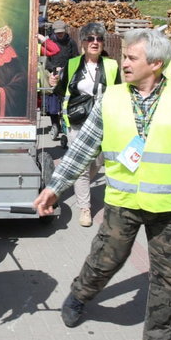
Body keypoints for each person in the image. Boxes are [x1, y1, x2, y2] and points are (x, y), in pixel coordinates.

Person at [33, 28, 171, 340]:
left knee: (169, 275)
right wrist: (54, 187)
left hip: (169, 208)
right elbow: (82, 148)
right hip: (122, 202)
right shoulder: (112, 98)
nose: (123, 63)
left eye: (130, 58)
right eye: (123, 57)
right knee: (105, 261)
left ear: (154, 63)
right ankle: (79, 295)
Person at [52, 22, 120, 227]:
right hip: (77, 122)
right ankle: (85, 208)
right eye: (90, 38)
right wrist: (54, 83)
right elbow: (62, 90)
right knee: (82, 167)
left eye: (99, 39)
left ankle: (78, 185)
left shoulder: (111, 65)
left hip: (102, 122)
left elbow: (118, 93)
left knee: (97, 162)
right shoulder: (73, 64)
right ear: (82, 42)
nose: (95, 42)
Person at [37, 20, 80, 140]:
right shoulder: (50, 42)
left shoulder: (71, 42)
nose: (60, 35)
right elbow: (47, 60)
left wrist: (67, 69)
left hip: (67, 73)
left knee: (66, 101)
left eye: (62, 32)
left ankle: (67, 123)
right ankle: (55, 124)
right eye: (58, 33)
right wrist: (52, 69)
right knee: (53, 101)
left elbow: (75, 57)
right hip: (53, 74)